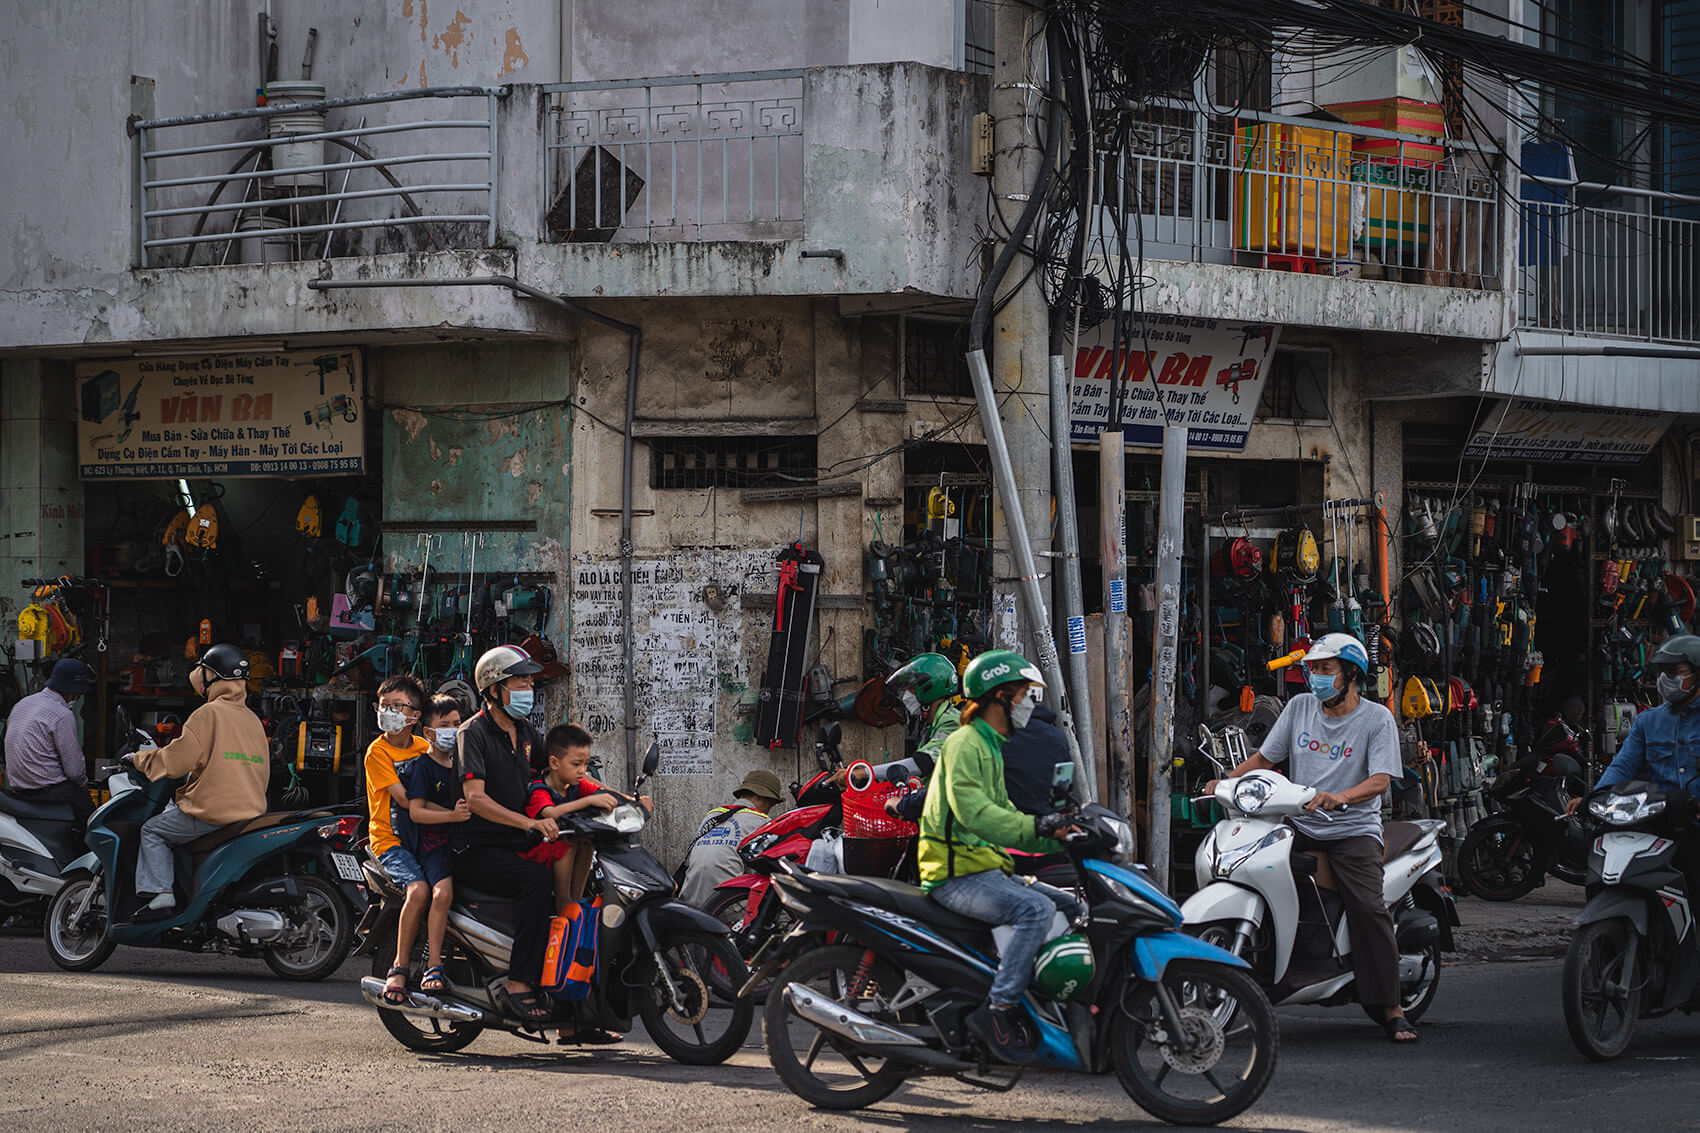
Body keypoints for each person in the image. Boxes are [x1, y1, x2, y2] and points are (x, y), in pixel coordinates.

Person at [1208, 632, 1412, 1043]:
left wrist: (1342, 797)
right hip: (1300, 823)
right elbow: (1266, 758)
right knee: (1253, 869)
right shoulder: (1300, 707)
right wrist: (1225, 781)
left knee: (1368, 908)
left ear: (1351, 674)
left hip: (1353, 830)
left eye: (1325, 669)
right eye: (1313, 669)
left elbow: (1380, 780)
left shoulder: (1376, 719)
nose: (1316, 676)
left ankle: (1392, 1007)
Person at [920, 649, 1077, 1065]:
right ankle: (999, 1009)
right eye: (1022, 695)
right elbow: (977, 814)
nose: (1028, 703)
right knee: (1036, 909)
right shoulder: (964, 744)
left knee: (1073, 907)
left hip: (988, 868)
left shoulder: (991, 745)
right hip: (956, 874)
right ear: (999, 698)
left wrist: (1061, 838)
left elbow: (1007, 812)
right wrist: (1039, 827)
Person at [453, 645, 557, 1025]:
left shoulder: (525, 731)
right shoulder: (473, 733)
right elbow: (475, 799)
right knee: (536, 880)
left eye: (530, 682)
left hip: (513, 841)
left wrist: (611, 796)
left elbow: (557, 767)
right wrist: (528, 823)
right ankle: (518, 981)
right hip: (476, 847)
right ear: (494, 689)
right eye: (520, 681)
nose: (529, 688)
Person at [130, 644, 269, 917]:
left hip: (213, 813)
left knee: (152, 831)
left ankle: (161, 894)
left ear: (212, 677)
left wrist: (139, 760)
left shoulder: (208, 713)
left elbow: (176, 761)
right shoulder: (252, 719)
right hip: (250, 811)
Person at [1570, 636, 1700, 824]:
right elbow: (1622, 767)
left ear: (1697, 674)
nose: (1664, 678)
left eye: (1672, 672)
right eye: (1661, 671)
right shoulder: (1647, 722)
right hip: (1661, 822)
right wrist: (1594, 798)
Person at [363, 673, 433, 1005]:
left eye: (396, 706)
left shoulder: (425, 747)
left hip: (423, 835)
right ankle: (399, 967)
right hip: (390, 841)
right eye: (384, 705)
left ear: (414, 716)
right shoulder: (377, 752)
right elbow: (405, 800)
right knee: (419, 890)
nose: (387, 712)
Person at [399, 693, 470, 995]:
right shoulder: (423, 767)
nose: (453, 731)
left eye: (457, 724)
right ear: (428, 732)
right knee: (442, 895)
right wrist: (452, 816)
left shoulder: (462, 763)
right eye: (445, 725)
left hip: (462, 845)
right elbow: (416, 811)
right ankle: (433, 963)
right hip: (434, 846)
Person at [524, 723, 617, 913]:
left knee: (586, 842)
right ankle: (563, 903)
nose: (582, 770)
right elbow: (551, 813)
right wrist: (588, 801)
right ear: (554, 763)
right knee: (566, 846)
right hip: (535, 851)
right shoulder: (539, 790)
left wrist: (634, 801)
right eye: (576, 764)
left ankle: (576, 901)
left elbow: (604, 792)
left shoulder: (576, 785)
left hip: (563, 847)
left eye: (585, 764)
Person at [3, 658, 97, 838]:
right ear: (73, 692)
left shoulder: (22, 704)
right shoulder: (61, 714)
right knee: (94, 822)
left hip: (19, 790)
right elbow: (75, 772)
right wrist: (83, 789)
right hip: (50, 792)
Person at [677, 769, 784, 909]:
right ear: (760, 798)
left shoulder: (712, 815)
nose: (769, 810)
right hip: (726, 906)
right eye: (771, 804)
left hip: (689, 904)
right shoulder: (761, 821)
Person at [886, 652, 962, 766]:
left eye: (911, 688)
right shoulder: (930, 726)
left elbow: (926, 761)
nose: (906, 695)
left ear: (929, 689)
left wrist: (867, 771)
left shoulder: (952, 722)